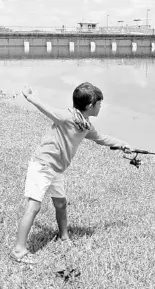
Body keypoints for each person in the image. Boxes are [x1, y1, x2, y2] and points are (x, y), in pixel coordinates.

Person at [10, 82, 132, 264]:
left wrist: (123, 144)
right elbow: (46, 109)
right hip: (43, 165)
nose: (101, 106)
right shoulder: (66, 117)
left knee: (61, 204)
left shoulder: (85, 126)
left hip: (56, 170)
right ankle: (19, 250)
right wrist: (30, 96)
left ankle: (64, 236)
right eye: (100, 103)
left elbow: (100, 138)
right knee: (34, 207)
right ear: (91, 106)